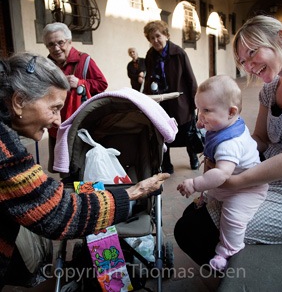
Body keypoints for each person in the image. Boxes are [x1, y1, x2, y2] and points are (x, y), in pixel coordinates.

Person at [0, 52, 170, 289]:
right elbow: (56, 213)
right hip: (99, 204)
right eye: (54, 108)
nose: (59, 122)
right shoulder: (4, 150)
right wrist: (133, 192)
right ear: (19, 101)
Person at [174, 14, 282, 269]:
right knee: (193, 217)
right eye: (243, 62)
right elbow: (261, 140)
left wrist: (234, 180)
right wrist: (229, 151)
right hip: (270, 177)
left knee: (200, 229)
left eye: (252, 54)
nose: (249, 67)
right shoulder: (270, 88)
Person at [177, 75, 268, 271]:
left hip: (247, 189)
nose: (200, 116)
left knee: (232, 217)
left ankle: (228, 250)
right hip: (230, 185)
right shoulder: (228, 122)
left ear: (231, 112)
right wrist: (204, 121)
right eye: (199, 110)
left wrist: (194, 184)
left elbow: (220, 175)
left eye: (206, 110)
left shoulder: (229, 144)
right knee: (213, 199)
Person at [42, 22, 108, 173]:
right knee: (63, 167)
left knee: (81, 164)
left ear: (70, 42)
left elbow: (102, 84)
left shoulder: (85, 61)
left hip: (80, 122)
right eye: (51, 44)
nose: (56, 48)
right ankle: (69, 192)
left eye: (60, 42)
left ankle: (84, 192)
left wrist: (80, 82)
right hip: (57, 124)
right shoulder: (46, 66)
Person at [143, 20, 199, 174]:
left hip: (180, 101)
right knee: (162, 131)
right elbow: (148, 79)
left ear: (166, 35)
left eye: (158, 36)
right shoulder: (150, 55)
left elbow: (190, 79)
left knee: (187, 130)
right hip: (161, 101)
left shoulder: (179, 53)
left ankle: (193, 157)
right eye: (151, 38)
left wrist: (195, 102)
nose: (155, 40)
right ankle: (167, 164)